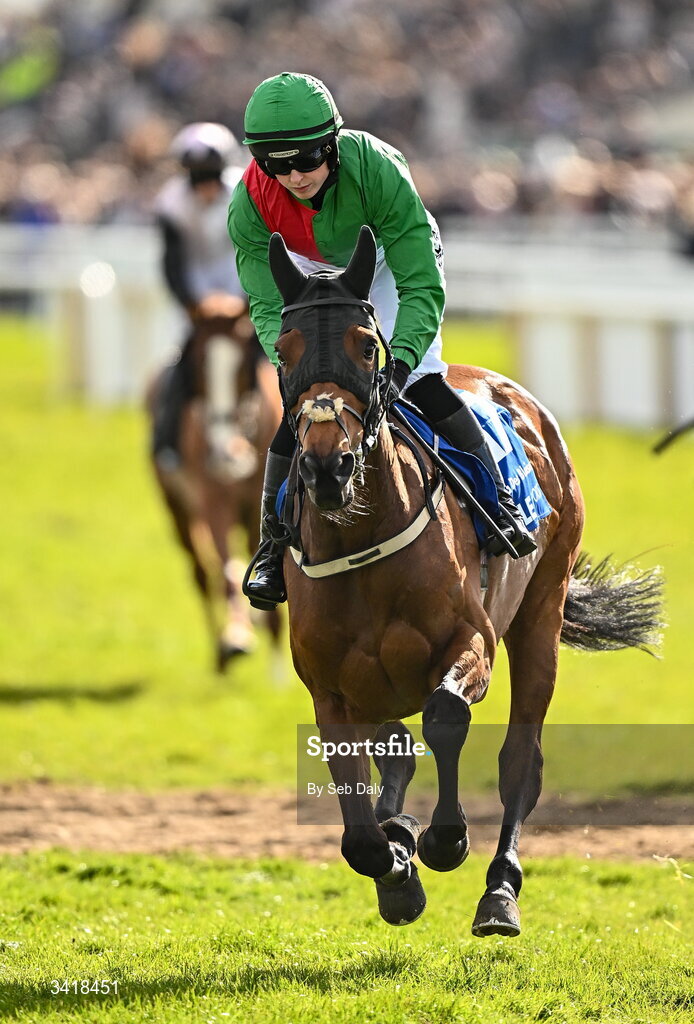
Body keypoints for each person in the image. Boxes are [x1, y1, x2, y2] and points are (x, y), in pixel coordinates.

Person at [228, 73, 535, 610]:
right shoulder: (249, 203)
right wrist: (295, 369)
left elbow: (420, 284)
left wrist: (398, 364)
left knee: (420, 384)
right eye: (277, 164)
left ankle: (497, 505)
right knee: (303, 405)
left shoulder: (376, 168)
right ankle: (272, 547)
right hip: (303, 271)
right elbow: (266, 305)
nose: (294, 176)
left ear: (332, 144)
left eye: (305, 159)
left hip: (387, 264)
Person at [151, 121, 252, 474]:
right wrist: (193, 305)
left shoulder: (246, 193)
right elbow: (172, 265)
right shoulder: (171, 205)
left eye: (212, 175)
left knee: (275, 361)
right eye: (198, 178)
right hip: (197, 304)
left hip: (245, 296)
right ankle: (166, 444)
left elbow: (260, 251)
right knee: (178, 368)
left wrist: (246, 301)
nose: (206, 186)